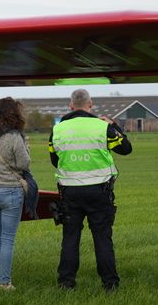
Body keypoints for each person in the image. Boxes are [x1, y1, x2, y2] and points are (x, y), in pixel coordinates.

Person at [48, 88, 133, 291]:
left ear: (70, 105)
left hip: (69, 191)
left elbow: (54, 160)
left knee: (70, 237)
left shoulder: (57, 129)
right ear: (90, 104)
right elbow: (126, 149)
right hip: (99, 191)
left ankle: (66, 283)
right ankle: (110, 283)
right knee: (102, 237)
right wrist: (115, 126)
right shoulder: (102, 127)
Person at [0, 97, 31, 291]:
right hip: (10, 190)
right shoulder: (14, 137)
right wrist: (27, 148)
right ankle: (4, 282)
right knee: (8, 239)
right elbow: (24, 164)